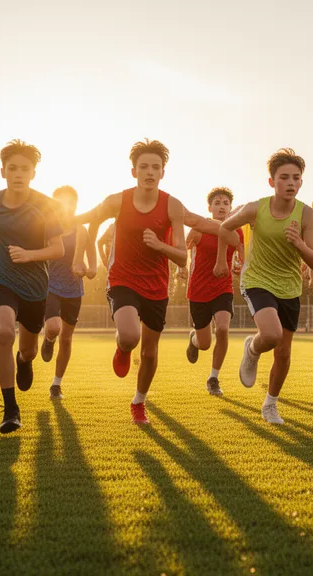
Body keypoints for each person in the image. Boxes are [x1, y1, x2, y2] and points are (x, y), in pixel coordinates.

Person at [74, 138, 237, 425]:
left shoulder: (172, 205)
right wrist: (80, 252)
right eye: (144, 166)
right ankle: (123, 348)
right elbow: (89, 218)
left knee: (149, 352)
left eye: (156, 167)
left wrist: (160, 245)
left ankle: (139, 402)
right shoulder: (117, 201)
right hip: (123, 278)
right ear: (133, 170)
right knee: (129, 336)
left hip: (157, 286)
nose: (150, 172)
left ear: (163, 172)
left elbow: (182, 256)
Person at [0, 139, 65, 434]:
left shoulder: (47, 206)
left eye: (25, 169)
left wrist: (30, 255)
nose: (18, 173)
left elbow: (58, 250)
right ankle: (10, 409)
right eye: (12, 168)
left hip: (34, 286)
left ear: (33, 173)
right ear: (2, 171)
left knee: (28, 349)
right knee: (3, 333)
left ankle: (24, 359)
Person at [215, 148, 313, 424]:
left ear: (301, 182)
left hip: (290, 287)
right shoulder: (255, 208)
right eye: (284, 177)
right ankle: (252, 350)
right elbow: (225, 228)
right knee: (271, 335)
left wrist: (298, 243)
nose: (290, 183)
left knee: (284, 353)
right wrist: (232, 256)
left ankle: (270, 404)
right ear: (272, 182)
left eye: (296, 178)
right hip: (257, 280)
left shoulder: (307, 215)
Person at [184, 187, 244, 396]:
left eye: (225, 203)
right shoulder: (199, 229)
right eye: (217, 203)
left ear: (230, 208)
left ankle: (213, 378)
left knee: (223, 329)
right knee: (204, 344)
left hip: (222, 288)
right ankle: (194, 339)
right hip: (198, 290)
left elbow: (241, 259)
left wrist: (239, 268)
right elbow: (184, 252)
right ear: (209, 208)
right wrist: (181, 270)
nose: (222, 207)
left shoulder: (237, 231)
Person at [40, 185, 98, 399]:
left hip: (74, 289)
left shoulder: (81, 230)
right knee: (54, 327)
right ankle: (48, 338)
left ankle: (56, 384)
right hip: (50, 285)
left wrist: (90, 270)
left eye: (70, 202)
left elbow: (92, 259)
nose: (66, 206)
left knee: (67, 338)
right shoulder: (45, 228)